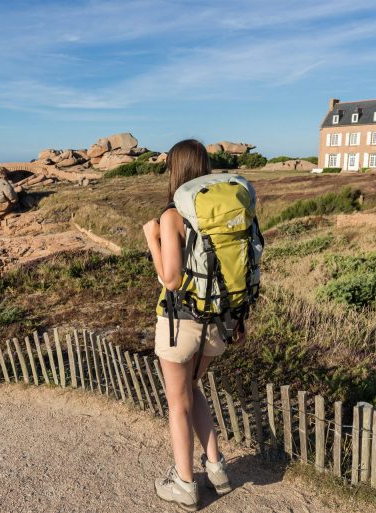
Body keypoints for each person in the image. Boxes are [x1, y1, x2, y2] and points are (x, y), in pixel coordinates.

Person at [142, 139, 242, 511]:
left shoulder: (174, 215)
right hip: (216, 323)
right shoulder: (216, 214)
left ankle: (184, 483)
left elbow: (170, 279)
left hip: (180, 325)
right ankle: (217, 469)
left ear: (176, 170)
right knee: (193, 389)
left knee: (177, 404)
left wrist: (152, 238)